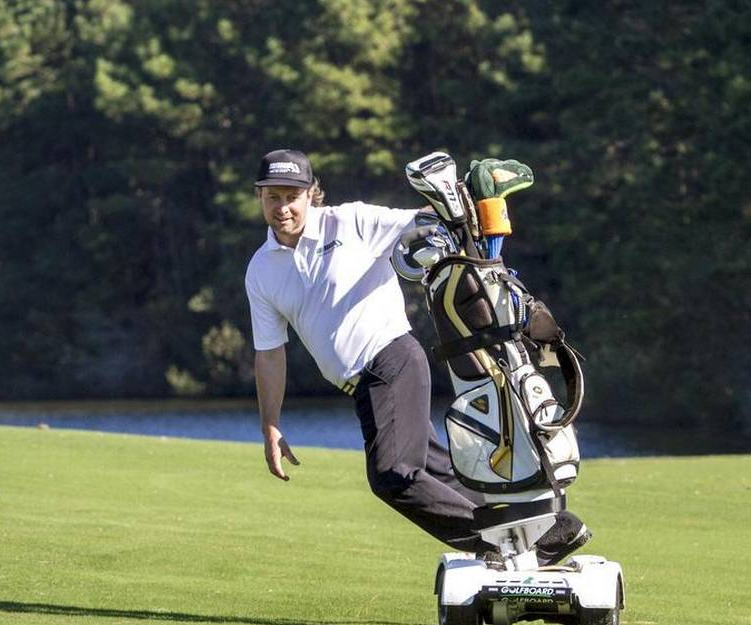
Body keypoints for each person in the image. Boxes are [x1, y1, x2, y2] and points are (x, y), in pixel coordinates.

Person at [244, 149, 591, 564]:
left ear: (309, 194)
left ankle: (501, 543)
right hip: (363, 385)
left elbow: (422, 220)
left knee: (393, 476)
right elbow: (269, 353)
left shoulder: (349, 220)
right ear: (259, 197)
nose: (283, 207)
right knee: (440, 474)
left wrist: (454, 205)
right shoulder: (261, 269)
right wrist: (271, 424)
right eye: (273, 197)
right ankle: (552, 529)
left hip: (391, 360)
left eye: (291, 196)